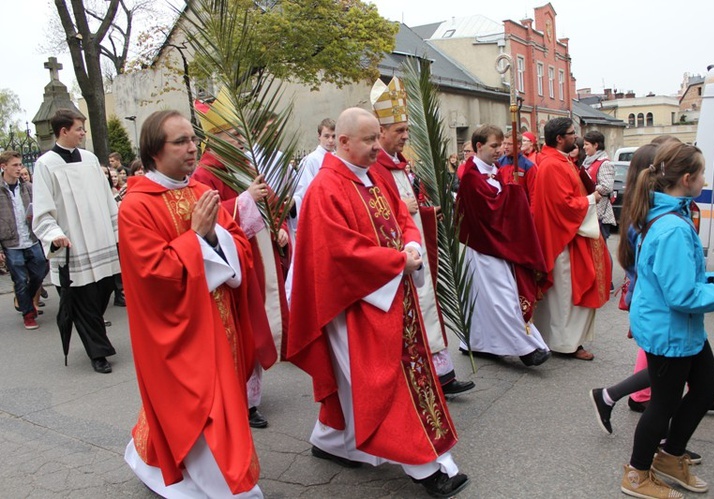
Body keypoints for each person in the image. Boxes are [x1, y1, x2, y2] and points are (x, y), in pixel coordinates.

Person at [287, 107, 470, 498]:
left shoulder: (375, 177)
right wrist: (397, 262)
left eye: (376, 138)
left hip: (390, 295)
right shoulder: (325, 188)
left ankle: (330, 440)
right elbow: (340, 253)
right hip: (354, 305)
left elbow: (402, 216)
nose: (376, 147)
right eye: (369, 140)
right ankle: (424, 467)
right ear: (343, 141)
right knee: (385, 383)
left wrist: (411, 243)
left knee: (364, 383)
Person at [120, 110, 276, 498]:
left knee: (215, 405)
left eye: (193, 140)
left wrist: (213, 239)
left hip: (221, 324)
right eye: (181, 142)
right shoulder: (135, 207)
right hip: (179, 333)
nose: (193, 149)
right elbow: (153, 273)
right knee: (201, 407)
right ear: (155, 151)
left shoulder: (198, 193)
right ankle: (229, 487)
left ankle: (159, 462)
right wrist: (198, 238)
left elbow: (239, 243)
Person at [619, 141, 714, 499]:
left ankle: (670, 457)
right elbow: (681, 296)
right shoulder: (672, 226)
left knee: (707, 387)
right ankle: (637, 475)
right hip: (669, 330)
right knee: (664, 404)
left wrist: (710, 279)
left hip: (677, 327)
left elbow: (679, 278)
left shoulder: (675, 214)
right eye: (702, 173)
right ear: (687, 179)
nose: (705, 179)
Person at [370, 76, 474, 396]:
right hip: (395, 260)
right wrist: (405, 207)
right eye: (399, 130)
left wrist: (425, 214)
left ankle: (440, 374)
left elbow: (408, 208)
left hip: (412, 252)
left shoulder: (399, 165)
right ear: (380, 131)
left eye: (406, 129)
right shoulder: (373, 168)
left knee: (427, 309)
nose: (406, 136)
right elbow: (375, 211)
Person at [192, 91, 286, 430]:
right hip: (236, 261)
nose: (238, 139)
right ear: (214, 136)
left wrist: (278, 225)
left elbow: (268, 200)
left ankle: (252, 395)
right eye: (232, 134)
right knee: (243, 326)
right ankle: (241, 401)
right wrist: (246, 199)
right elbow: (209, 220)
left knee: (260, 321)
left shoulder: (244, 164)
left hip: (260, 253)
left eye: (238, 133)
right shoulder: (205, 173)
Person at [32, 109, 120, 374]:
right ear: (63, 131)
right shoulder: (45, 164)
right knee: (81, 300)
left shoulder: (91, 159)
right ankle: (98, 352)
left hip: (100, 239)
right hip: (72, 243)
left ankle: (95, 334)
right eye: (79, 129)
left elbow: (107, 199)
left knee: (104, 290)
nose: (83, 133)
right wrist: (53, 234)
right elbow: (43, 209)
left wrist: (117, 231)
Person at [456, 126, 550, 366]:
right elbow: (489, 212)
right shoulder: (471, 176)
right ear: (479, 146)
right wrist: (513, 196)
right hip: (481, 245)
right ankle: (526, 347)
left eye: (501, 145)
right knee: (502, 297)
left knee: (486, 299)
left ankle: (476, 342)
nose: (500, 150)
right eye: (494, 146)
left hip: (494, 243)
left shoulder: (493, 171)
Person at [531, 117, 611, 361]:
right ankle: (566, 344)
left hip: (567, 236)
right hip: (563, 240)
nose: (575, 137)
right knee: (566, 294)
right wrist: (592, 199)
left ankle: (555, 339)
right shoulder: (553, 165)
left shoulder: (558, 160)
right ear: (559, 138)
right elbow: (563, 206)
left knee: (561, 295)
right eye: (571, 133)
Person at [0, 151, 48, 330]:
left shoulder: (28, 187)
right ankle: (28, 314)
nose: (19, 168)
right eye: (15, 165)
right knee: (19, 279)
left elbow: (39, 208)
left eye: (20, 165)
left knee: (40, 269)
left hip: (31, 238)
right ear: (3, 167)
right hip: (11, 242)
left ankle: (24, 299)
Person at [582, 131, 616, 240]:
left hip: (601, 213)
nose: (584, 147)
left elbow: (607, 187)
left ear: (596, 145)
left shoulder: (605, 163)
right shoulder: (589, 161)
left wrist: (590, 186)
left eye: (587, 144)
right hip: (592, 212)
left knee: (602, 250)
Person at [497, 132, 537, 205]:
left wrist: (531, 214)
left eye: (509, 144)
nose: (505, 147)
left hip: (521, 208)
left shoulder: (528, 166)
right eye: (504, 143)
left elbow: (533, 193)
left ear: (518, 145)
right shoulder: (498, 163)